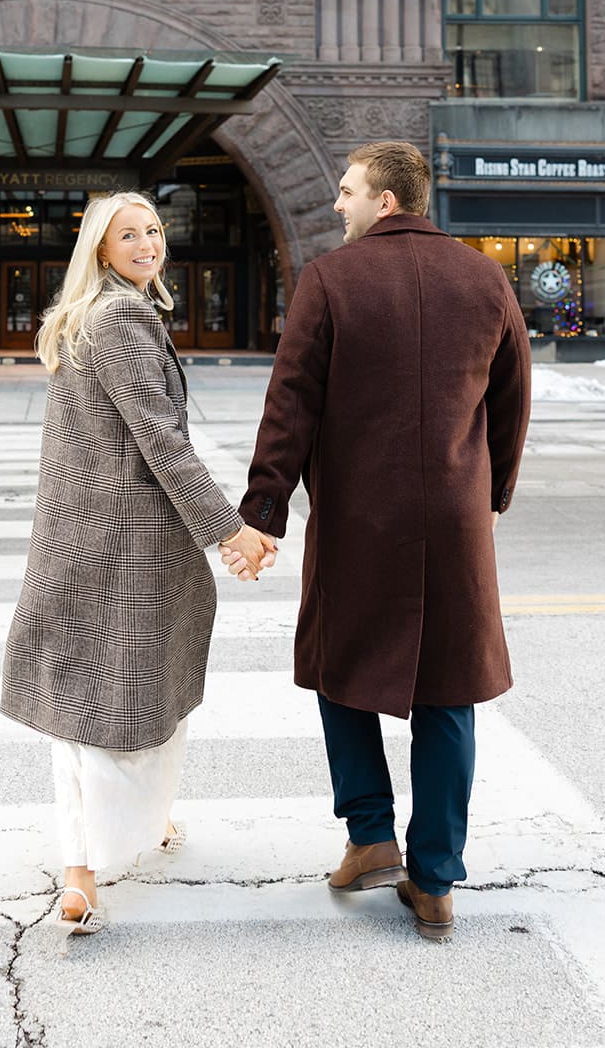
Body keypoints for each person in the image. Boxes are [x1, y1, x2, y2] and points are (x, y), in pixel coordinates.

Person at [225, 142, 530, 942]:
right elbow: (511, 399)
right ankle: (433, 879)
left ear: (386, 202)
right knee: (448, 692)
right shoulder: (484, 277)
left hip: (360, 517)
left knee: (339, 665)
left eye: (348, 191)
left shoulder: (331, 280)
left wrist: (263, 513)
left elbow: (289, 404)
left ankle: (368, 836)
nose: (337, 205)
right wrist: (490, 494)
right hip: (454, 521)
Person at [1, 191, 276, 935]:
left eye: (153, 230)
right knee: (110, 699)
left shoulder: (100, 314)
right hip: (123, 542)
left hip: (92, 533)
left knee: (113, 692)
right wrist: (231, 530)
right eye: (129, 234)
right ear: (100, 249)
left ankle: (131, 834)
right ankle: (82, 868)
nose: (147, 243)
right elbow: (160, 440)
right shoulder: (121, 318)